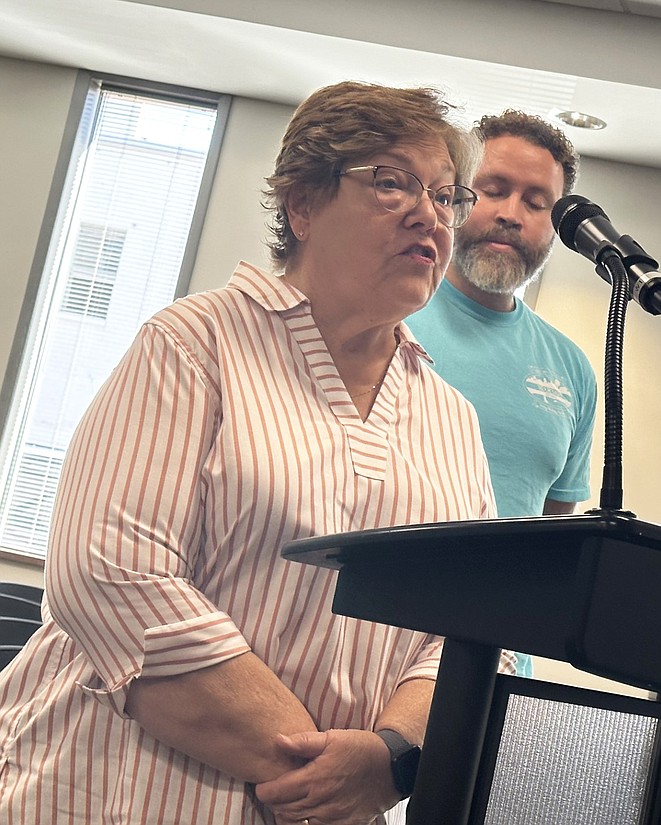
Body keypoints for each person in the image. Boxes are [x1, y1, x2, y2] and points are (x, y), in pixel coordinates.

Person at [0, 81, 501, 825]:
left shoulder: (452, 420)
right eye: (392, 182)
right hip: (115, 794)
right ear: (303, 204)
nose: (429, 213)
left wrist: (390, 757)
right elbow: (110, 574)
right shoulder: (193, 343)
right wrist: (317, 767)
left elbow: (468, 627)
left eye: (444, 194)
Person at [405, 112, 598, 657]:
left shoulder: (571, 369)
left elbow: (550, 540)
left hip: (499, 659)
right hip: (379, 641)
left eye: (536, 203)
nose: (512, 215)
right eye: (494, 190)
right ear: (457, 195)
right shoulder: (391, 315)